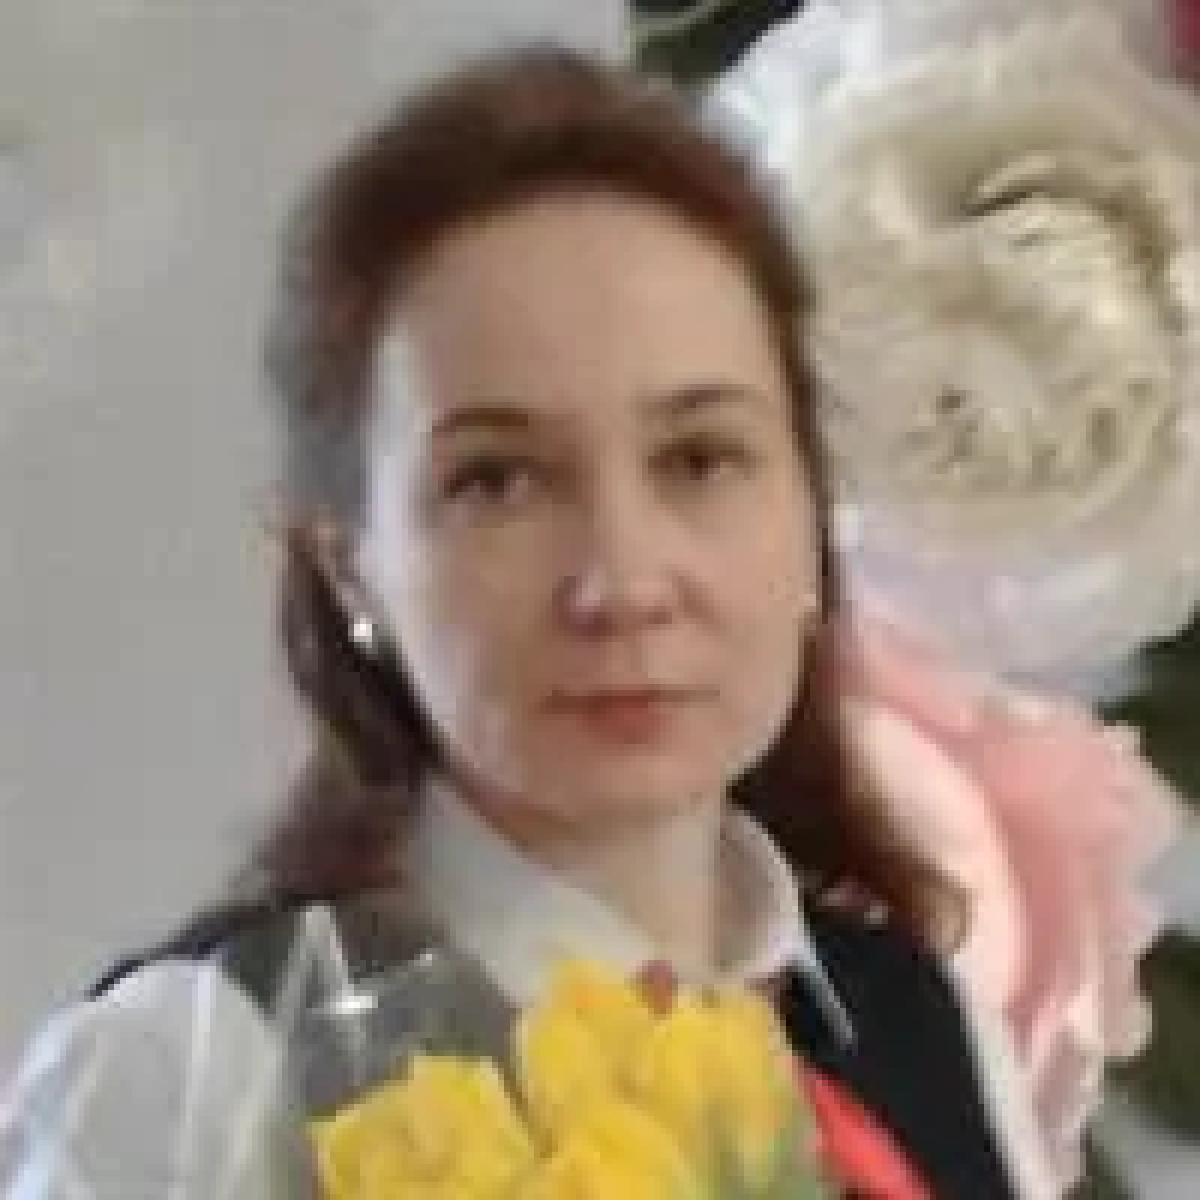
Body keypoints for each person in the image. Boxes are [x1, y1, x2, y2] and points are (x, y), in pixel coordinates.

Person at [0, 48, 1056, 1198]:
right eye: (497, 481)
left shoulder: (922, 1026)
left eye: (700, 459)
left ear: (810, 509)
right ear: (348, 567)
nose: (623, 582)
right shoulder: (197, 1082)